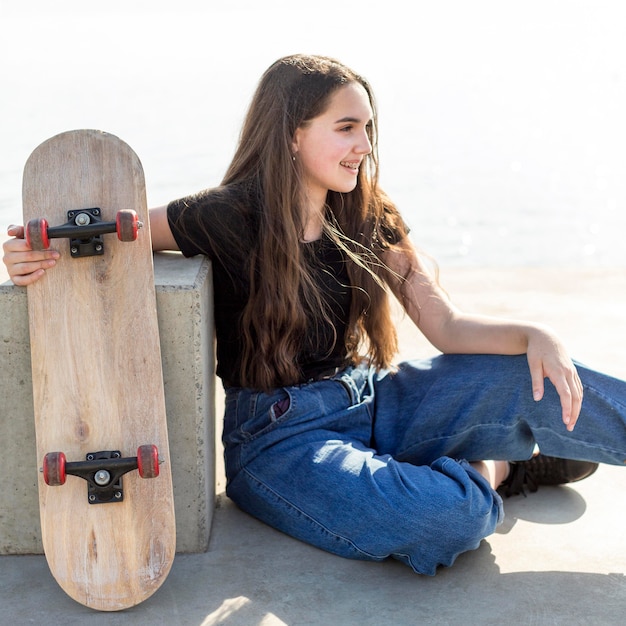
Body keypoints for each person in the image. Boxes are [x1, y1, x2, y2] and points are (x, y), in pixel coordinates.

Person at [3, 54, 624, 575]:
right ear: (292, 133)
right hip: (279, 443)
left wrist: (536, 335)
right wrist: (31, 252)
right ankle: (500, 464)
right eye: (347, 127)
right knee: (444, 517)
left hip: (375, 400)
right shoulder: (224, 215)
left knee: (527, 373)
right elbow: (107, 232)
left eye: (368, 129)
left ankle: (475, 451)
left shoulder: (366, 212)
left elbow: (448, 328)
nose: (364, 146)